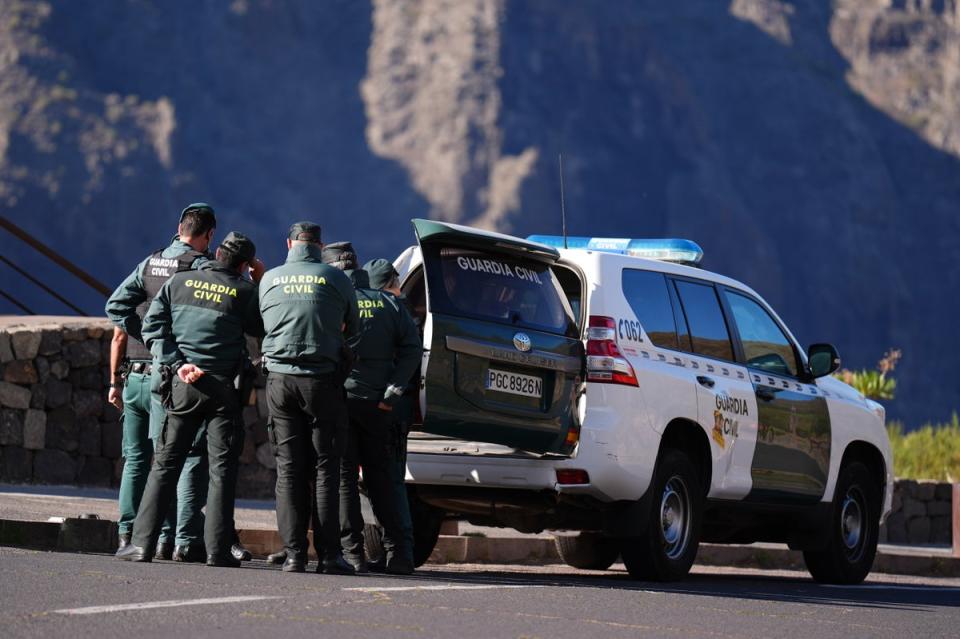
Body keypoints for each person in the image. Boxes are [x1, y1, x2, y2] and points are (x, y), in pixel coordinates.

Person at [116, 232, 264, 567]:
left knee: (165, 466)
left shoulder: (180, 282)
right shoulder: (245, 291)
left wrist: (179, 364)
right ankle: (217, 550)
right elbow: (265, 328)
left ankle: (141, 546)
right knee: (222, 470)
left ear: (216, 253)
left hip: (183, 384)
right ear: (243, 265)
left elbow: (153, 328)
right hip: (224, 389)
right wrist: (260, 279)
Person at [105, 204, 218, 561]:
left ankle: (127, 533)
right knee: (171, 457)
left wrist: (144, 337)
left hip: (133, 374)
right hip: (166, 375)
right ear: (208, 235)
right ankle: (169, 537)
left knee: (135, 460)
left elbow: (115, 307)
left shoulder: (151, 262)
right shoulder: (199, 266)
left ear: (178, 227)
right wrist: (164, 348)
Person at [258, 222, 359, 574]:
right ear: (320, 245)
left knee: (289, 469)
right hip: (321, 382)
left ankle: (293, 555)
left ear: (289, 244)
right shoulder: (336, 279)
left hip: (280, 381)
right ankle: (330, 556)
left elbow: (263, 323)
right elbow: (353, 327)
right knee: (325, 468)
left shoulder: (269, 278)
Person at [324, 244, 421, 575]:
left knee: (344, 481)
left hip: (344, 404)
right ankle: (400, 555)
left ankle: (354, 555)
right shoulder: (391, 305)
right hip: (381, 408)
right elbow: (412, 350)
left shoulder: (339, 303)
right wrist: (393, 392)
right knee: (386, 482)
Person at [362, 258, 418, 565]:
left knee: (378, 482)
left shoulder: (359, 305)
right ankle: (399, 553)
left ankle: (394, 552)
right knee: (388, 481)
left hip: (375, 406)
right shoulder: (401, 310)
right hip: (390, 407)